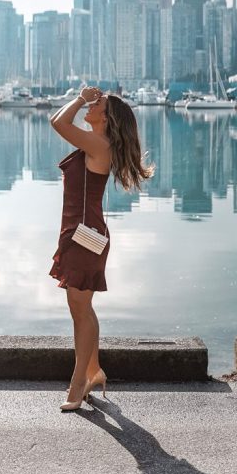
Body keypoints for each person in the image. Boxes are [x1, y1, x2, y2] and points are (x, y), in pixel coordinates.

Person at [49, 85, 155, 412]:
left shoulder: (98, 143)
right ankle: (94, 371)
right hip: (80, 234)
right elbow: (61, 123)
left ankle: (78, 382)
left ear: (106, 119)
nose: (93, 104)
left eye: (100, 103)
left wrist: (81, 97)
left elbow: (57, 122)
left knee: (80, 311)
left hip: (85, 237)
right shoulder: (96, 141)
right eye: (94, 101)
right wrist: (85, 101)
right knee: (81, 309)